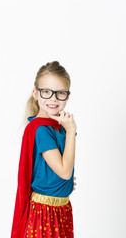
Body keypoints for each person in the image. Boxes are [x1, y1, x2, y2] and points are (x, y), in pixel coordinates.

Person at [11, 61, 77, 238]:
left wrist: (65, 183)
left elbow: (60, 170)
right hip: (45, 213)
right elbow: (64, 171)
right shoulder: (42, 129)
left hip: (61, 209)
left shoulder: (57, 126)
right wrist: (71, 131)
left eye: (60, 93)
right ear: (36, 94)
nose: (53, 99)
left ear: (67, 96)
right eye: (46, 92)